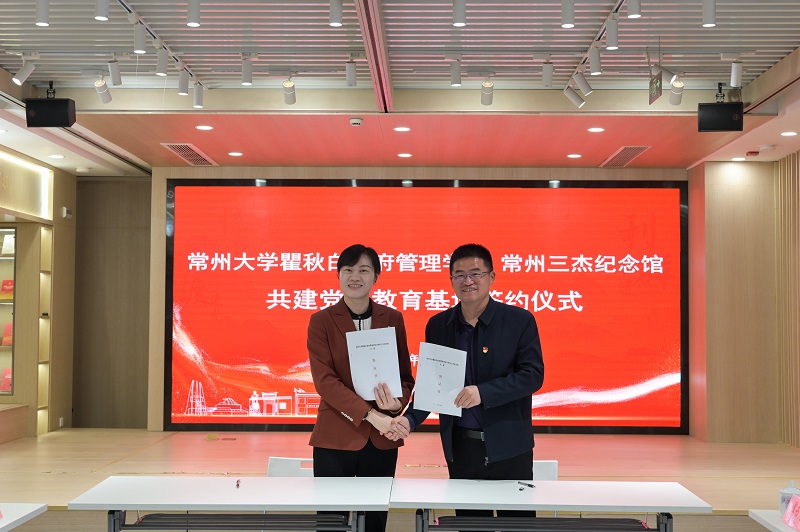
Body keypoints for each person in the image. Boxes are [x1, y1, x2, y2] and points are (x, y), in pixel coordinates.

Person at [389, 243, 544, 519]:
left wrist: (483, 392)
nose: (468, 281)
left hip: (511, 446)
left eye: (476, 273)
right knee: (470, 524)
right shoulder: (439, 325)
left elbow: (532, 375)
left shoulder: (519, 321)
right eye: (459, 275)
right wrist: (409, 420)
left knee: (518, 525)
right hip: (462, 449)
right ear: (451, 280)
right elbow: (433, 385)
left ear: (491, 277)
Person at [307, 244, 415, 532]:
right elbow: (325, 382)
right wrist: (372, 416)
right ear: (338, 275)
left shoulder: (393, 318)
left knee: (375, 521)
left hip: (382, 437)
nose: (355, 276)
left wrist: (396, 404)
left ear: (376, 276)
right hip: (335, 438)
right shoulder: (321, 321)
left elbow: (405, 377)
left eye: (364, 270)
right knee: (331, 522)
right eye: (348, 270)